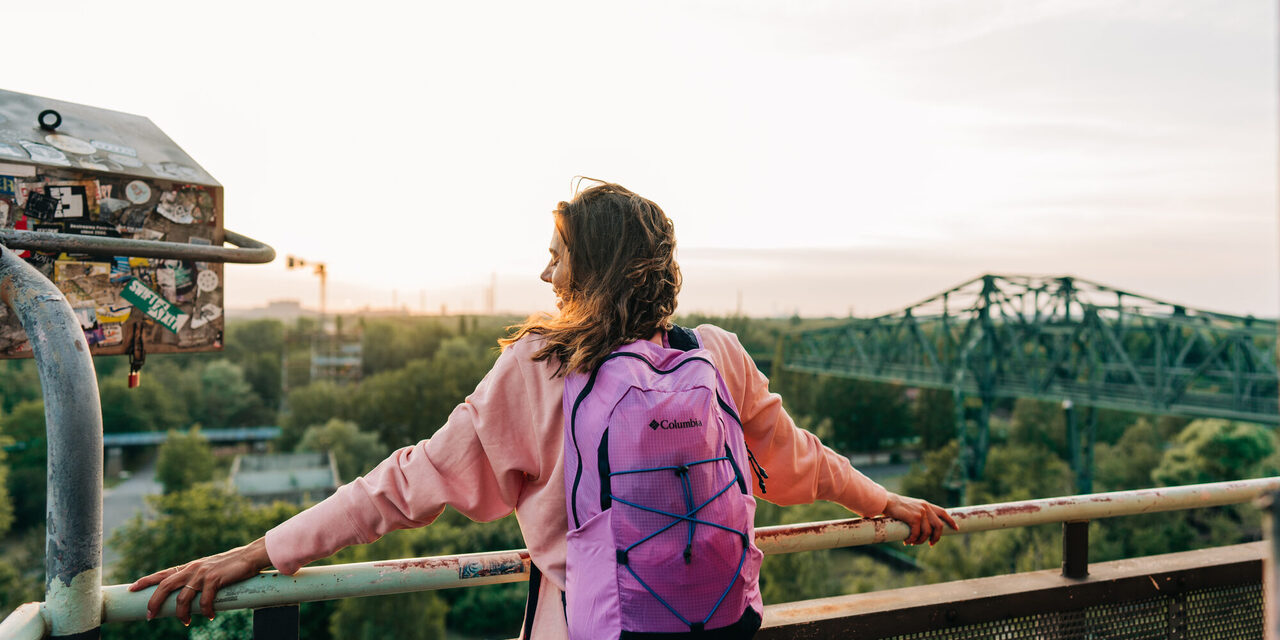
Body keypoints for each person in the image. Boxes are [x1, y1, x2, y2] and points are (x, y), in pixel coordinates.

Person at [129, 180, 957, 637]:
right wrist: (884, 503)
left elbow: (402, 486)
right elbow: (796, 462)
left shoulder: (541, 369)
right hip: (718, 627)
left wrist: (262, 551)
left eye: (558, 257)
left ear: (590, 270)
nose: (544, 275)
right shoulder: (718, 354)